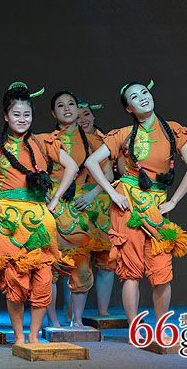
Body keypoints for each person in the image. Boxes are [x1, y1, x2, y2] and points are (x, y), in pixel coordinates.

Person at [84, 80, 187, 341]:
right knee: (131, 271)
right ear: (129, 108)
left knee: (162, 271)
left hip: (157, 206)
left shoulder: (172, 130)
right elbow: (92, 162)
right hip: (128, 205)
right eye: (135, 97)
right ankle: (135, 329)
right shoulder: (124, 134)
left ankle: (161, 328)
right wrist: (113, 193)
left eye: (145, 92)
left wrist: (174, 201)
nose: (143, 98)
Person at [0, 81, 77, 345]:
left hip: (39, 218)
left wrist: (55, 198)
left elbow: (72, 166)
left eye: (27, 114)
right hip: (8, 221)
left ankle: (34, 336)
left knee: (43, 278)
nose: (22, 119)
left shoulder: (43, 143)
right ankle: (19, 337)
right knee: (14, 279)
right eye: (16, 114)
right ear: (6, 116)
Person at [41, 91, 113, 328]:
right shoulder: (45, 142)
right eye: (61, 105)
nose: (67, 108)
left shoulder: (93, 142)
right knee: (49, 266)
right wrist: (44, 193)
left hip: (79, 208)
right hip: (52, 207)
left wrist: (92, 195)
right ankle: (53, 321)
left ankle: (77, 320)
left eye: (71, 104)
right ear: (53, 113)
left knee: (81, 266)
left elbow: (108, 175)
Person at [77, 99, 115, 317]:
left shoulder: (104, 142)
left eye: (86, 114)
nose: (83, 119)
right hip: (76, 204)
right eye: (78, 116)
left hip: (100, 202)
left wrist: (92, 194)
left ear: (93, 116)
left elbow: (109, 175)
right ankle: (73, 316)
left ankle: (103, 312)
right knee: (76, 258)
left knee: (106, 260)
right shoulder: (67, 142)